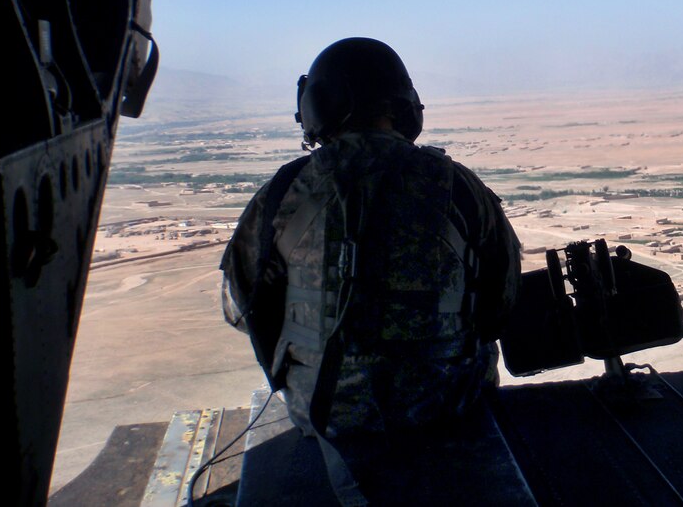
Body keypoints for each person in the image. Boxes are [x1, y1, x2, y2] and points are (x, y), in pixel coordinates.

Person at [220, 37, 521, 503]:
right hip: (447, 404)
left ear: (316, 104)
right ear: (404, 106)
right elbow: (502, 304)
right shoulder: (456, 184)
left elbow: (243, 305)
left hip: (322, 411)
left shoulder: (285, 191)